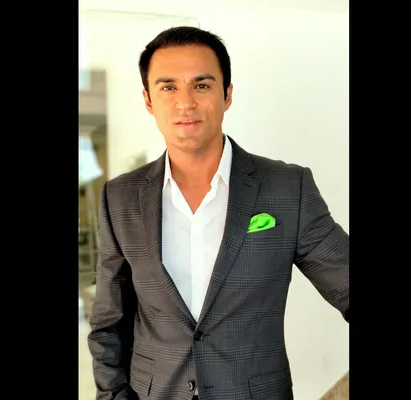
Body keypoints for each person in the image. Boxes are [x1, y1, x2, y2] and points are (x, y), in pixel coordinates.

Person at [88, 26, 349, 400]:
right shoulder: (120, 197)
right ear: (148, 100)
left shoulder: (287, 188)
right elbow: (108, 323)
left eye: (201, 85)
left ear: (227, 94)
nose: (185, 102)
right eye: (168, 87)